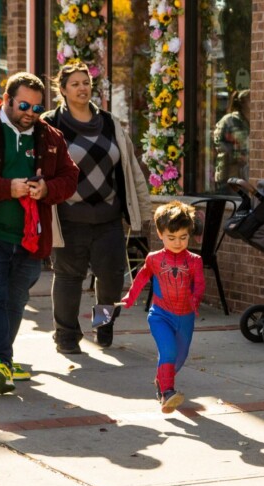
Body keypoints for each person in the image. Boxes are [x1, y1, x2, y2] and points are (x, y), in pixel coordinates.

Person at [0, 72, 79, 394]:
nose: (30, 113)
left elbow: (70, 177)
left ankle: (0, 361)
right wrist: (7, 188)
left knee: (16, 299)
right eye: (23, 105)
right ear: (6, 100)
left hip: (30, 238)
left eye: (36, 107)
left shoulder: (50, 137)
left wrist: (47, 188)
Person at [42, 62, 152, 355]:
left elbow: (130, 168)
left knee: (112, 277)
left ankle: (103, 324)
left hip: (109, 216)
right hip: (68, 216)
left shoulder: (109, 123)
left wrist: (142, 208)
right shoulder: (51, 124)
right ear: (62, 89)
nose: (82, 88)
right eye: (75, 83)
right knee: (68, 277)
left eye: (86, 82)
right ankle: (66, 336)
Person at [119, 201, 205, 413]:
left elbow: (200, 283)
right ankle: (167, 393)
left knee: (180, 357)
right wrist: (130, 297)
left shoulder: (195, 261)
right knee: (168, 351)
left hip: (185, 317)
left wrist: (195, 300)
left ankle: (162, 380)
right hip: (160, 315)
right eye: (171, 237)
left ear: (189, 234)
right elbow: (141, 278)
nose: (177, 242)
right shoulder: (154, 259)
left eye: (183, 237)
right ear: (160, 234)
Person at [213, 89, 250, 191]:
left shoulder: (252, 120)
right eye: (251, 100)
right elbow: (217, 141)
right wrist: (235, 155)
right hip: (229, 173)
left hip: (245, 174)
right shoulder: (230, 120)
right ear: (244, 103)